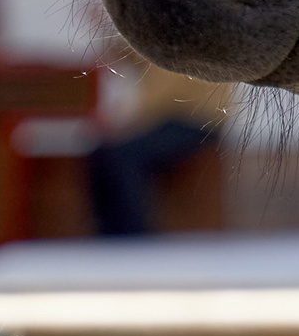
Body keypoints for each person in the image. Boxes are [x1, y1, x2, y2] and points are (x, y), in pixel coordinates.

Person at [86, 54, 232, 235]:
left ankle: (134, 236)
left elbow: (162, 98)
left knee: (125, 155)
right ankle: (108, 235)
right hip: (166, 119)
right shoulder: (162, 41)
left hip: (194, 120)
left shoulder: (180, 41)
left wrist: (123, 124)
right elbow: (131, 54)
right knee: (101, 152)